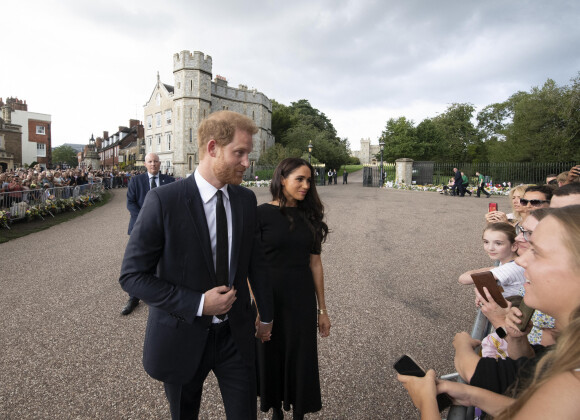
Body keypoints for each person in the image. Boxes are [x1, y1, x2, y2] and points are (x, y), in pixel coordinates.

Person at [119, 110, 273, 419]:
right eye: (239, 153)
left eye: (248, 154)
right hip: (182, 335)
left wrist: (266, 315)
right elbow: (132, 276)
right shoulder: (164, 201)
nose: (247, 162)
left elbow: (255, 263)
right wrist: (199, 303)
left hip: (235, 335)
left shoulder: (244, 200)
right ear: (213, 148)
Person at [398, 205, 580, 419]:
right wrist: (470, 394)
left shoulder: (572, 383)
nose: (521, 260)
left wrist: (426, 402)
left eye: (537, 252)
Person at [256, 158, 330, 420]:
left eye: (309, 180)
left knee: (301, 356)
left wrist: (322, 309)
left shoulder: (310, 216)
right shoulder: (261, 214)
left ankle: (299, 411)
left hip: (301, 298)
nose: (306, 185)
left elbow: (316, 264)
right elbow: (250, 264)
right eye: (300, 179)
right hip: (270, 296)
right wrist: (257, 302)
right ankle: (276, 409)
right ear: (282, 178)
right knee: (271, 352)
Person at [120, 152, 176, 316]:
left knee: (164, 262)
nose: (153, 164)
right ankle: (133, 297)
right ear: (145, 164)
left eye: (156, 161)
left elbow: (173, 203)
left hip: (164, 229)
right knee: (138, 264)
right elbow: (130, 202)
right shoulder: (136, 181)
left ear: (160, 164)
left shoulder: (169, 181)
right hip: (140, 228)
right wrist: (144, 220)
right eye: (150, 161)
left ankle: (163, 295)